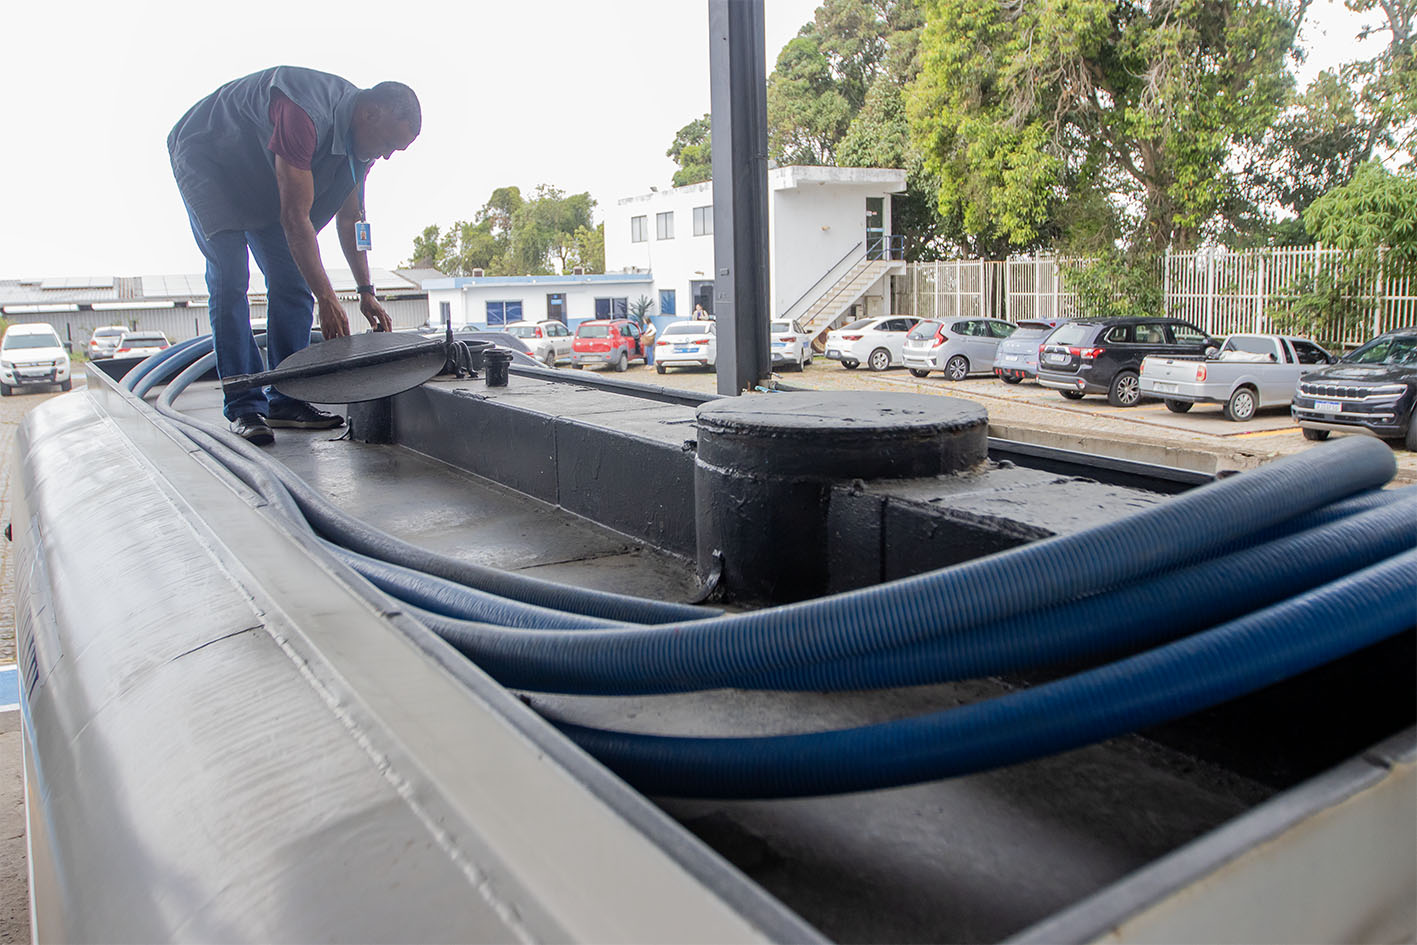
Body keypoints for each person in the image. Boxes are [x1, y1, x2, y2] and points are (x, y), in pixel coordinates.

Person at [169, 66, 420, 444]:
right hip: (211, 160)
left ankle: (286, 398)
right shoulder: (304, 113)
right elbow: (293, 217)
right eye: (389, 144)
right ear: (370, 113)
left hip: (261, 175)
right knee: (231, 275)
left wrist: (365, 290)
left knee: (293, 282)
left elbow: (351, 218)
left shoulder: (359, 149)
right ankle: (245, 405)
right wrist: (328, 297)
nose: (385, 157)